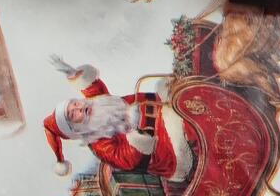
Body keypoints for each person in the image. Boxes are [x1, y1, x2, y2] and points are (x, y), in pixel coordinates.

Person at [45, 57, 194, 182]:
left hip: (160, 104)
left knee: (178, 89)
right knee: (179, 118)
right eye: (72, 115)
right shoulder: (98, 143)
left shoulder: (96, 103)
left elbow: (91, 85)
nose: (78, 108)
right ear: (76, 129)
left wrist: (75, 74)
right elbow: (126, 159)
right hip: (163, 149)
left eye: (75, 103)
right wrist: (137, 134)